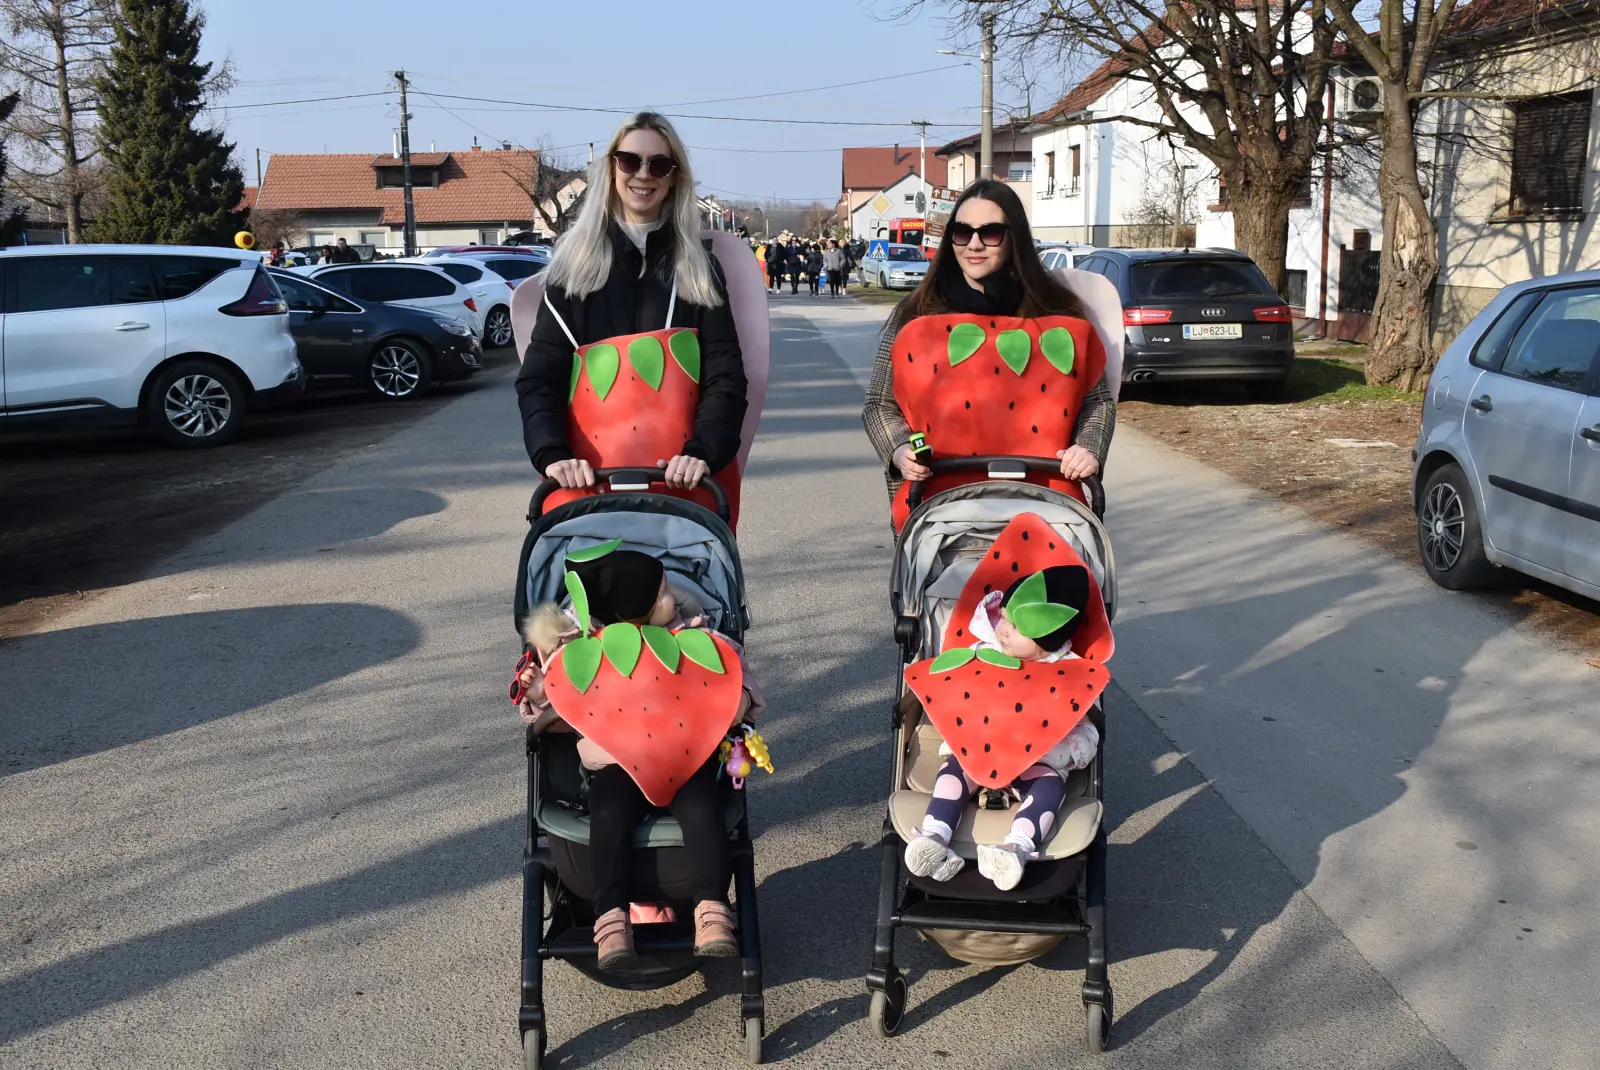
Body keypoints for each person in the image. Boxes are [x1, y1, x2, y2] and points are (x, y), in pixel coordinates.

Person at [512, 549, 763, 965]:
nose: (676, 595)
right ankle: (610, 917)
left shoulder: (698, 637)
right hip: (617, 762)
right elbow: (556, 711)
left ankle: (711, 908)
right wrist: (540, 693)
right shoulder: (588, 655)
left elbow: (738, 681)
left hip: (685, 757)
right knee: (607, 810)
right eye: (663, 591)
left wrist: (736, 701)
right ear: (633, 612)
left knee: (703, 806)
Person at [516, 111, 748, 508]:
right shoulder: (573, 267)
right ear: (611, 167)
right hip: (590, 476)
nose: (643, 174)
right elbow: (540, 377)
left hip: (684, 476)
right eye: (630, 161)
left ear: (674, 177)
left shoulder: (699, 269)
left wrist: (703, 452)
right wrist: (552, 454)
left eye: (659, 164)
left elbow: (725, 375)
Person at [860, 179, 1115, 515]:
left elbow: (1096, 402)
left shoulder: (1055, 311)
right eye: (962, 232)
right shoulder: (917, 312)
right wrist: (898, 449)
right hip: (937, 503)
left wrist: (1088, 448)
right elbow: (879, 404)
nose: (974, 244)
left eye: (990, 232)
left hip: (1046, 502)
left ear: (1015, 238)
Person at [903, 564, 1100, 891]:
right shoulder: (984, 652)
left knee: (1051, 786)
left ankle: (1016, 847)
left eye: (1016, 626)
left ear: (1047, 641)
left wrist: (1070, 751)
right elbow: (952, 686)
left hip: (1034, 762)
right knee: (952, 773)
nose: (1004, 629)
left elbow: (1084, 727)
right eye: (1004, 618)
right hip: (978, 751)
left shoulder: (1068, 675)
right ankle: (935, 835)